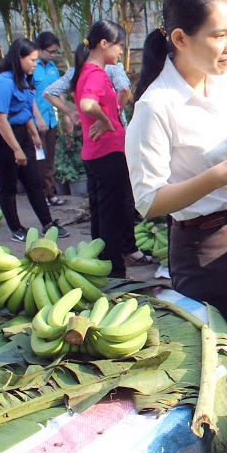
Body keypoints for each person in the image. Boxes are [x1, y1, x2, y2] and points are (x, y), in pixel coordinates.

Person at [126, 0, 227, 398]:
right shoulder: (155, 106)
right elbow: (148, 201)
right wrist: (220, 176)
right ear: (180, 38)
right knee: (224, 372)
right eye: (218, 35)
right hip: (202, 249)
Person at [72, 20, 148, 279]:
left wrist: (109, 114)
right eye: (119, 46)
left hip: (95, 153)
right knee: (112, 215)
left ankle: (100, 265)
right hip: (107, 153)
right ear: (103, 44)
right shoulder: (95, 73)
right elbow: (87, 103)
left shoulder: (86, 71)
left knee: (102, 213)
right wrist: (105, 120)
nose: (120, 52)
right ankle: (115, 272)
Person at [0, 38, 69, 242]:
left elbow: (26, 109)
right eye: (31, 60)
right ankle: (16, 228)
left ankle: (47, 223)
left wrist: (33, 135)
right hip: (2, 137)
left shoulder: (22, 79)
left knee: (34, 181)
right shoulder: (2, 82)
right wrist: (16, 149)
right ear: (19, 58)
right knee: (8, 185)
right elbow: (0, 119)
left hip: (22, 133)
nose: (34, 63)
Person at [33, 31, 67, 206]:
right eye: (50, 51)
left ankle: (51, 194)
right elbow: (28, 95)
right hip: (36, 122)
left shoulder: (53, 68)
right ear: (39, 49)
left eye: (55, 52)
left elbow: (58, 91)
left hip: (51, 120)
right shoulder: (32, 67)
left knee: (50, 159)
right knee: (40, 160)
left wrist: (66, 114)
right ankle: (40, 195)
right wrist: (37, 118)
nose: (52, 55)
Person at [43, 62, 132, 128]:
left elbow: (49, 92)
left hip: (90, 132)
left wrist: (71, 113)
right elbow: (124, 89)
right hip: (114, 128)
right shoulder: (112, 68)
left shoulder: (76, 72)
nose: (120, 51)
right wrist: (113, 115)